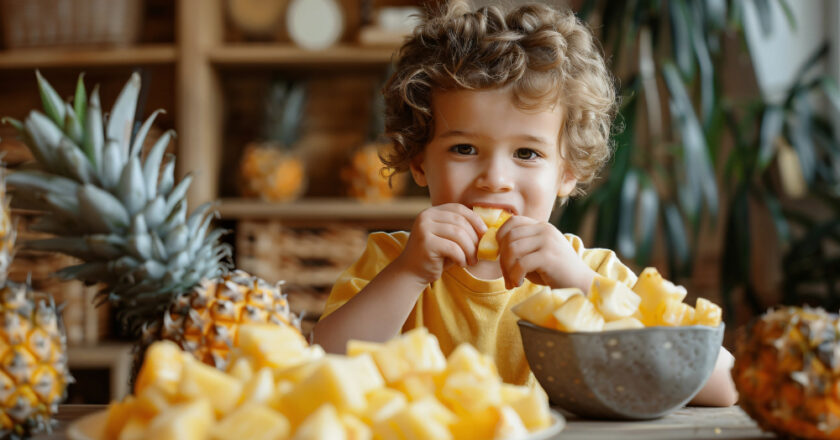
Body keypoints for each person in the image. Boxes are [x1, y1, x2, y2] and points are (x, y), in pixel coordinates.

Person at [312, 0, 737, 406]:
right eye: (464, 148)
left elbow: (723, 383)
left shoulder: (595, 276)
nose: (495, 180)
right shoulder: (392, 262)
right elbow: (321, 365)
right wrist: (410, 273)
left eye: (527, 154)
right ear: (420, 162)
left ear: (567, 172)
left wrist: (582, 288)